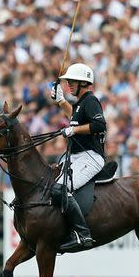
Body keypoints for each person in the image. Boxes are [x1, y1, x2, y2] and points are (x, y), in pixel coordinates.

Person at [49, 62, 107, 252]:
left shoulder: (90, 101)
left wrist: (73, 130)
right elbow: (74, 115)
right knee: (52, 187)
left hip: (90, 157)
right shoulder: (80, 104)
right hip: (76, 156)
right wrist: (60, 101)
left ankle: (83, 234)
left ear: (83, 83)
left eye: (72, 82)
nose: (69, 85)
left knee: (60, 189)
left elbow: (99, 125)